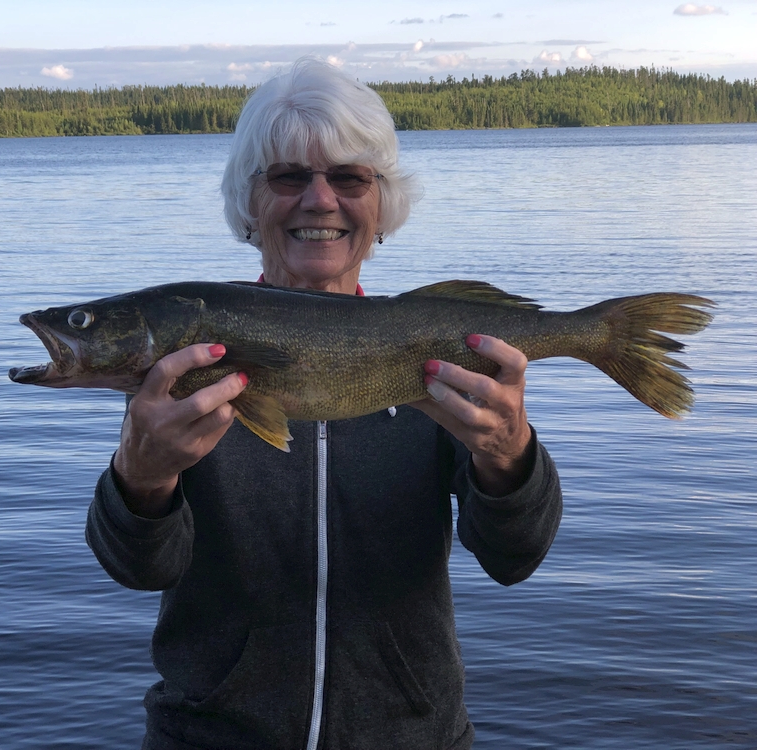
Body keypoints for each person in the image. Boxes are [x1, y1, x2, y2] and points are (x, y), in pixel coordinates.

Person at [86, 58, 562, 750]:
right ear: (249, 200)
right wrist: (141, 479)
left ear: (381, 203)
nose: (319, 200)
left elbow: (514, 557)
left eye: (348, 178)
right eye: (288, 177)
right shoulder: (186, 363)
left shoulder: (441, 354)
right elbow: (137, 569)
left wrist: (510, 458)